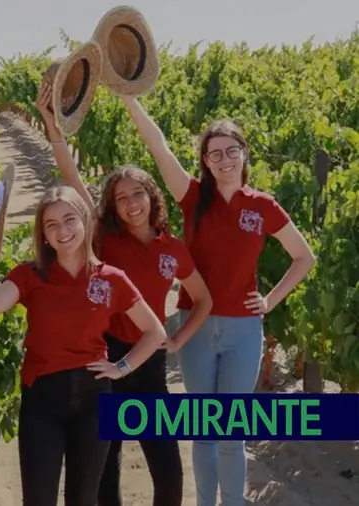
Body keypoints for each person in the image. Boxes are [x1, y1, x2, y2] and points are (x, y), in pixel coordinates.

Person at [121, 95, 316, 506]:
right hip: (194, 325)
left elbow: (304, 257)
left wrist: (271, 300)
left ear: (243, 154)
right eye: (215, 153)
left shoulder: (262, 206)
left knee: (232, 432)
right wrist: (129, 99)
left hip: (244, 332)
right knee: (204, 430)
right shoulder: (193, 198)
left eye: (232, 150)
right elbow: (159, 148)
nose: (225, 159)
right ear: (205, 161)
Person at [34, 83, 213, 506]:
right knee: (104, 476)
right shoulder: (104, 240)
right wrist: (53, 130)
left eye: (139, 195)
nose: (132, 204)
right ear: (112, 207)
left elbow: (202, 299)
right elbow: (73, 181)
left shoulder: (173, 250)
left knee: (169, 473)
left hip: (150, 364)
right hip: (107, 359)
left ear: (153, 199)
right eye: (122, 198)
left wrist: (177, 339)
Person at [0, 184, 167, 506]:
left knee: (83, 499)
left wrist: (122, 367)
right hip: (43, 402)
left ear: (85, 220)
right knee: (38, 499)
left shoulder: (110, 278)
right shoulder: (30, 275)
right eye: (51, 224)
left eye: (70, 219)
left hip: (94, 401)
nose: (62, 231)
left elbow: (154, 332)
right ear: (43, 234)